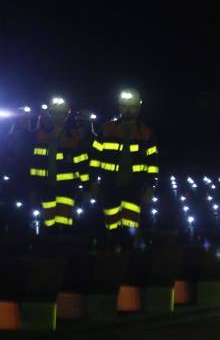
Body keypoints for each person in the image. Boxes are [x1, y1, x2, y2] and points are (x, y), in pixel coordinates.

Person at [90, 89, 159, 236]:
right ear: (119, 107)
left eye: (132, 106)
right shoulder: (107, 128)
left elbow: (152, 163)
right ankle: (111, 253)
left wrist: (151, 186)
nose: (127, 110)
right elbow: (95, 158)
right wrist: (93, 182)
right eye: (124, 106)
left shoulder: (146, 132)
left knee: (131, 227)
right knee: (110, 226)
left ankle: (128, 253)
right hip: (110, 186)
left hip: (134, 187)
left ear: (139, 109)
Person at [27, 96, 90, 230]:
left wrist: (87, 186)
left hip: (66, 187)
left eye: (61, 113)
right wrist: (32, 187)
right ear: (50, 114)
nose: (58, 116)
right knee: (47, 223)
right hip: (45, 185)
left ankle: (62, 247)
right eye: (55, 112)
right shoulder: (39, 136)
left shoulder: (74, 136)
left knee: (64, 223)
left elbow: (82, 162)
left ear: (67, 114)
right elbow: (33, 164)